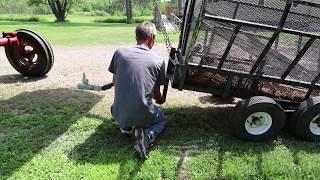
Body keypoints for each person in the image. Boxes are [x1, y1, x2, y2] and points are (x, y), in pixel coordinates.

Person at [108, 21, 167, 159]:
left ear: (137, 36)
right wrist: (161, 99)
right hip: (143, 113)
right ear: (151, 38)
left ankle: (127, 128)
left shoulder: (120, 52)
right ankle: (148, 136)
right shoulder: (158, 60)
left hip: (118, 112)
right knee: (162, 119)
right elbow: (156, 95)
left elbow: (114, 82)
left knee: (114, 107)